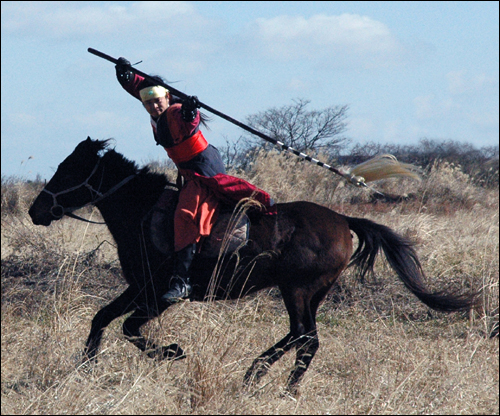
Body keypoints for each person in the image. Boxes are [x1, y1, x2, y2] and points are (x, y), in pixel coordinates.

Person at [115, 57, 276, 303]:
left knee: (186, 214)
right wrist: (125, 75)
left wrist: (191, 111)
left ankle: (182, 280)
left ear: (167, 97)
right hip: (188, 171)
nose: (153, 107)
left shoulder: (176, 112)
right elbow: (139, 88)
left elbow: (189, 122)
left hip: (203, 169)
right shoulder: (154, 104)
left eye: (157, 102)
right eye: (148, 103)